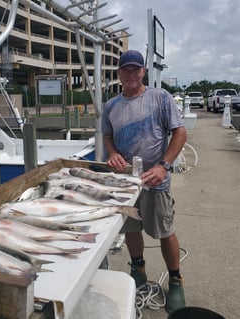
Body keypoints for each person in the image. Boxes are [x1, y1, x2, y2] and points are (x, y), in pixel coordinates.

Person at [102, 50, 187, 313]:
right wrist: (113, 153)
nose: (130, 74)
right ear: (118, 74)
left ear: (142, 72)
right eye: (125, 69)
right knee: (131, 228)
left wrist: (164, 166)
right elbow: (107, 136)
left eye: (135, 69)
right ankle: (138, 268)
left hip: (155, 180)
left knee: (164, 230)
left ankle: (175, 280)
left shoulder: (160, 98)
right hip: (126, 182)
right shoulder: (111, 106)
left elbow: (180, 133)